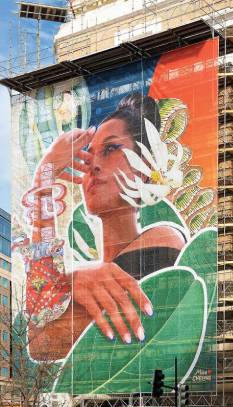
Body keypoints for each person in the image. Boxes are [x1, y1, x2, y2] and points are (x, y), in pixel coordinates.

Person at [24, 93, 186, 360]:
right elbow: (38, 343)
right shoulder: (92, 273)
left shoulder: (165, 237)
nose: (93, 166)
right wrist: (44, 178)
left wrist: (67, 283)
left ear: (144, 168)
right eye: (88, 156)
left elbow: (44, 338)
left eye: (110, 149)